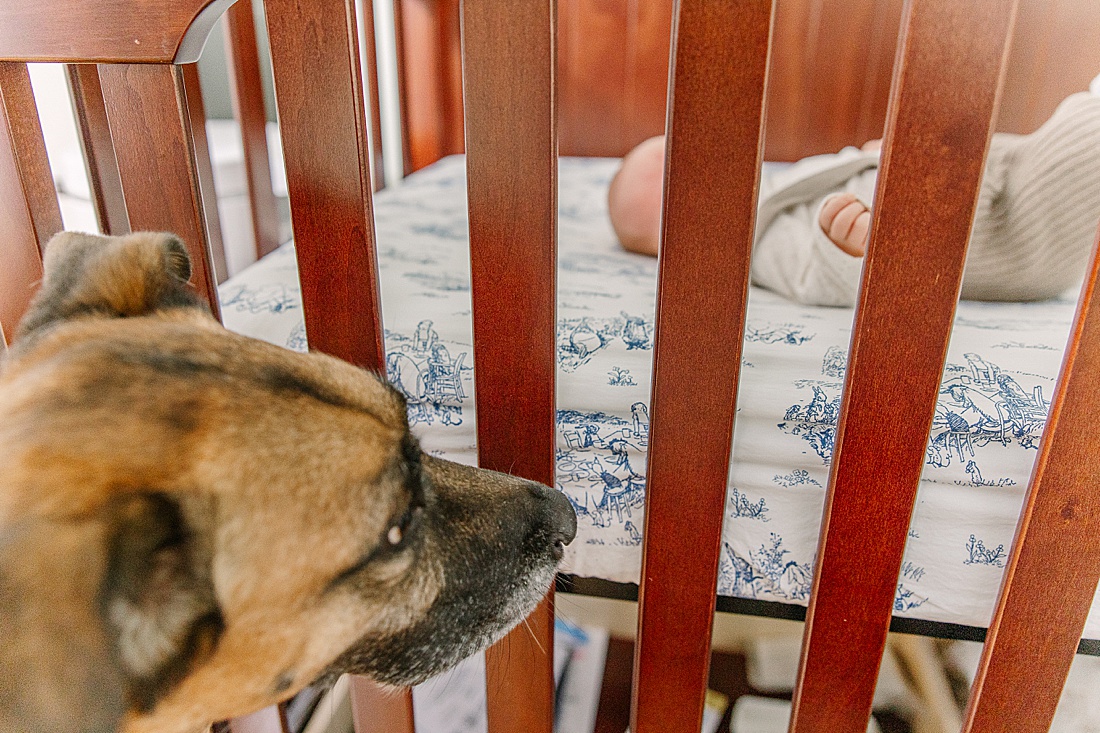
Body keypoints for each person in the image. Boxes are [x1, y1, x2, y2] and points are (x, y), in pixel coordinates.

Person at [607, 91, 1100, 306]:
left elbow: (843, 171)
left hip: (980, 184)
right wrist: (840, 242)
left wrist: (873, 157)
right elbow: (817, 278)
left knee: (1061, 135)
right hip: (990, 235)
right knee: (1077, 141)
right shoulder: (758, 245)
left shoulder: (779, 186)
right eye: (683, 174)